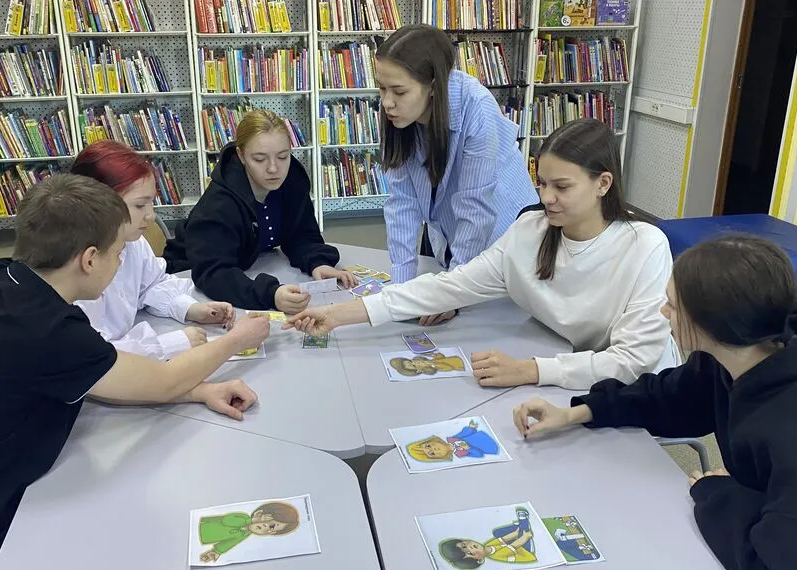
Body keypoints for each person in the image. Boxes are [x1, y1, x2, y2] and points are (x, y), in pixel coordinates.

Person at [0, 175, 270, 570]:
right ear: (89, 260)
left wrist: (196, 391)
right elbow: (161, 382)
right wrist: (238, 339)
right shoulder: (46, 330)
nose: (121, 262)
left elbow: (98, 377)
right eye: (117, 254)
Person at [512, 235, 797, 570]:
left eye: (672, 305)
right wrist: (576, 413)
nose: (663, 312)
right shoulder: (736, 357)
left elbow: (793, 563)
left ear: (712, 323)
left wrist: (718, 494)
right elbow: (669, 397)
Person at [287, 118, 678, 391]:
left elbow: (631, 361)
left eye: (562, 187)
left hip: (636, 390)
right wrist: (337, 315)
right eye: (542, 183)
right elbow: (448, 288)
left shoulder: (645, 246)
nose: (546, 197)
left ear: (603, 184)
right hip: (561, 375)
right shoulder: (530, 231)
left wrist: (531, 370)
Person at [376, 24, 539, 325]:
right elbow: (402, 203)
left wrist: (452, 294)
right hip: (453, 235)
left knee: (496, 326)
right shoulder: (397, 115)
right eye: (382, 88)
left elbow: (475, 210)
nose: (387, 102)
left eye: (399, 91)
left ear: (433, 85)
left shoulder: (476, 107)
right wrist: (400, 290)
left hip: (503, 239)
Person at [162, 109, 357, 313]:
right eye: (259, 159)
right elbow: (213, 272)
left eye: (283, 156)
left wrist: (318, 263)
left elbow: (301, 234)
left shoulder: (293, 179)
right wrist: (269, 294)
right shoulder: (219, 202)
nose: (273, 168)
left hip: (250, 268)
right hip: (188, 278)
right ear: (241, 155)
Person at [70, 140, 235, 360]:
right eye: (140, 205)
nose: (151, 215)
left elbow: (151, 284)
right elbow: (92, 356)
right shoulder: (75, 268)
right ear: (99, 205)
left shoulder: (132, 242)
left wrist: (191, 309)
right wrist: (172, 343)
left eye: (151, 203)